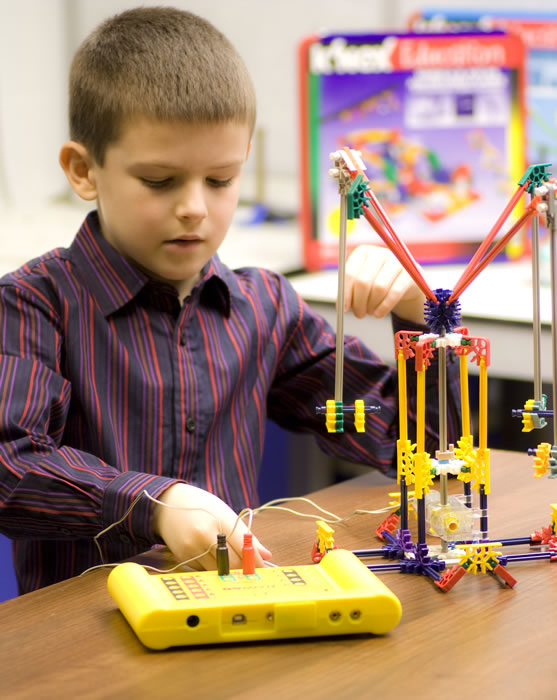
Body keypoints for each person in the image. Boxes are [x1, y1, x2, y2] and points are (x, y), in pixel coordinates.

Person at [0, 6, 460, 594]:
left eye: (220, 180)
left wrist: (419, 317)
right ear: (84, 170)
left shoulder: (264, 308)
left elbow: (419, 452)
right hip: (87, 650)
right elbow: (11, 467)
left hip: (236, 626)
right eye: (160, 181)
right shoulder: (33, 307)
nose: (195, 206)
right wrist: (153, 503)